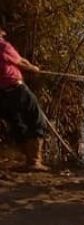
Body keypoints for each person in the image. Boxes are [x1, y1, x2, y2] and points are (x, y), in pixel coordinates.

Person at [0, 25, 49, 171]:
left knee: (17, 123)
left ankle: (28, 160)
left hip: (1, 94)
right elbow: (20, 61)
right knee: (36, 119)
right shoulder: (3, 46)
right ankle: (34, 161)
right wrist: (35, 69)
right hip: (15, 88)